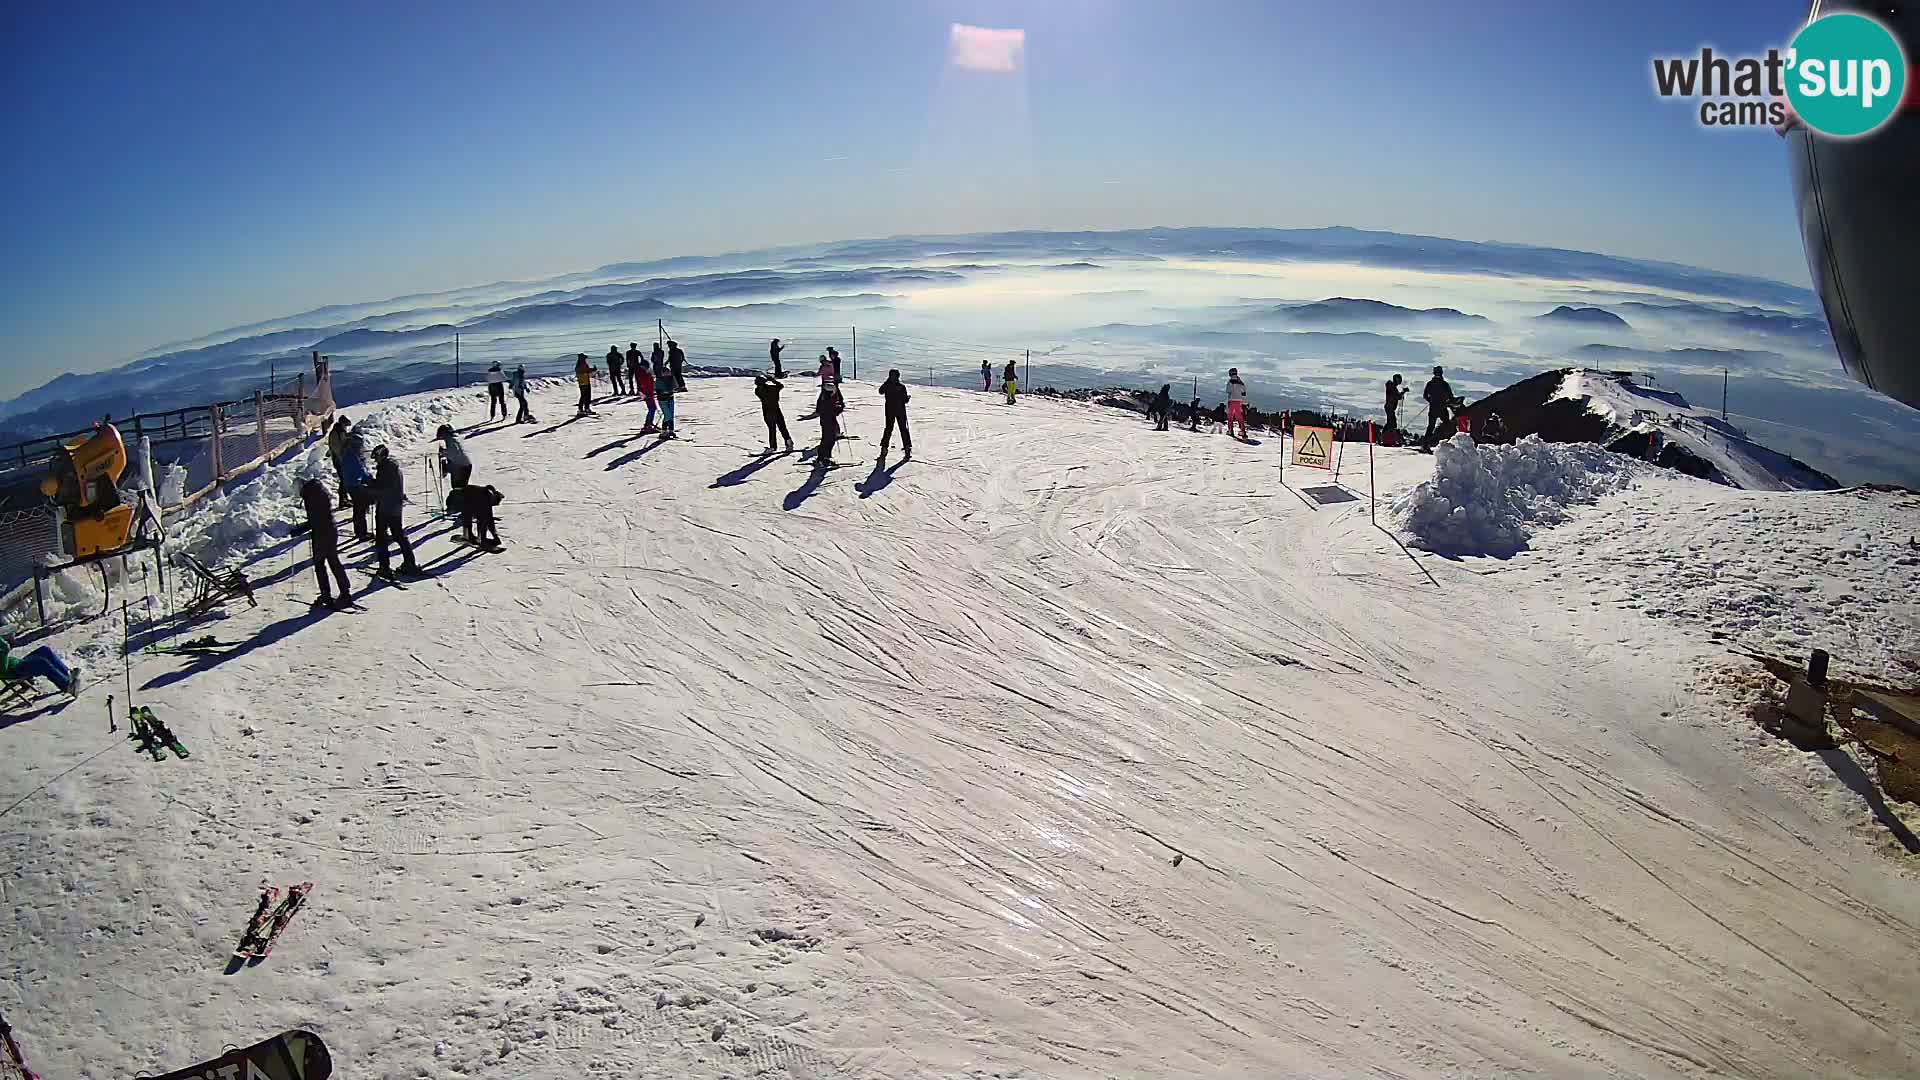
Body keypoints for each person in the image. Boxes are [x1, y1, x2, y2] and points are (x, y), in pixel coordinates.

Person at [368, 445, 421, 579]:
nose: (376, 461)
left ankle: (384, 567)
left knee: (381, 537)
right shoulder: (393, 467)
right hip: (395, 506)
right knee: (399, 535)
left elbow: (383, 487)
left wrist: (369, 485)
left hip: (386, 507)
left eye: (377, 458)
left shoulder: (385, 469)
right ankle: (410, 563)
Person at [299, 477, 351, 608]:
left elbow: (315, 520)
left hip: (321, 534)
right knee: (334, 562)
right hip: (331, 530)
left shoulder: (310, 498)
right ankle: (345, 592)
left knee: (320, 565)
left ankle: (326, 595)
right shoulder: (321, 494)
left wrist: (300, 529)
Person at [0, 635, 79, 698]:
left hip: (19, 664)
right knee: (41, 663)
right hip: (15, 671)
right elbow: (3, 670)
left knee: (44, 650)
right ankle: (66, 686)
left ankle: (67, 674)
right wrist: (5, 652)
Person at [338, 422, 374, 540]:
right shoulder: (350, 453)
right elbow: (358, 469)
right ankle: (361, 533)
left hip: (352, 482)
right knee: (360, 508)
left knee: (359, 508)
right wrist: (367, 478)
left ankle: (360, 531)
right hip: (353, 484)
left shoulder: (351, 451)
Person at [446, 484, 503, 550]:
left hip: (462, 500)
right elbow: (487, 520)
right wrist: (493, 537)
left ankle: (471, 536)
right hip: (458, 502)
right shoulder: (487, 497)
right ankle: (474, 538)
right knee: (479, 519)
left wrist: (495, 536)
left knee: (476, 517)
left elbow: (489, 520)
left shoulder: (486, 493)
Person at [878, 369, 913, 460]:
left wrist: (887, 382)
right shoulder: (901, 387)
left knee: (888, 428)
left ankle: (884, 448)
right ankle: (907, 448)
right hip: (900, 410)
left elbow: (880, 391)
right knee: (903, 428)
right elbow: (905, 400)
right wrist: (908, 398)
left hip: (889, 409)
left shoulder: (887, 385)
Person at [755, 374, 794, 452]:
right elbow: (781, 386)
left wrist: (767, 379)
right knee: (782, 428)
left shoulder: (758, 391)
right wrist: (772, 380)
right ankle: (789, 442)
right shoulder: (773, 388)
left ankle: (773, 447)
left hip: (767, 412)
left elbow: (760, 388)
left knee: (772, 430)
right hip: (777, 410)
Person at [814, 382, 844, 466]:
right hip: (828, 421)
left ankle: (822, 457)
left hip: (826, 420)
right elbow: (831, 410)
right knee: (829, 439)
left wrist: (838, 407)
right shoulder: (827, 399)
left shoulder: (824, 397)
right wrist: (839, 409)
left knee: (827, 439)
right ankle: (824, 458)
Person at [1423, 366, 1454, 444]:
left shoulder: (1430, 384)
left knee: (1431, 427)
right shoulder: (1445, 384)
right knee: (1447, 425)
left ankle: (1425, 444)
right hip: (1443, 408)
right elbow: (1451, 397)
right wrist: (1447, 402)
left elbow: (1425, 395)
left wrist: (1431, 401)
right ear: (1441, 373)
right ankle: (1448, 443)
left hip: (1433, 408)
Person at [653, 347, 677, 438]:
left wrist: (672, 381)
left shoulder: (671, 379)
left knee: (671, 415)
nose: (667, 374)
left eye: (667, 372)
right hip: (663, 399)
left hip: (670, 398)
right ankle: (663, 431)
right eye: (665, 372)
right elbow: (657, 389)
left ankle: (671, 430)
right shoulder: (659, 380)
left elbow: (675, 387)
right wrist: (663, 392)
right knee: (667, 415)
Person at [635, 353, 658, 432]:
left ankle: (648, 424)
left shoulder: (641, 373)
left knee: (652, 408)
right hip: (648, 393)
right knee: (652, 408)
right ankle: (648, 425)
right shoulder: (643, 374)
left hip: (647, 392)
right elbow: (646, 384)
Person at [1225, 368, 1249, 439]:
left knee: (1230, 416)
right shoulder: (1241, 382)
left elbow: (1228, 391)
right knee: (1239, 416)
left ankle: (1230, 430)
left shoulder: (1230, 382)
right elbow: (1244, 392)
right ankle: (1242, 431)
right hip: (1239, 401)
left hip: (1231, 400)